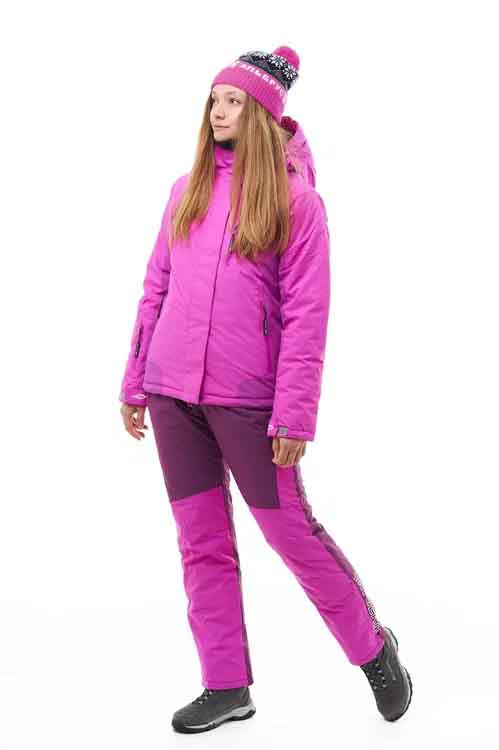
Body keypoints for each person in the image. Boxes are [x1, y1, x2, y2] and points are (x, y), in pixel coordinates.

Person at [119, 46, 413, 734]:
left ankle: (373, 650)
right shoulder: (185, 190)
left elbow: (307, 316)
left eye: (232, 102)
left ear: (261, 114)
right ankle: (225, 685)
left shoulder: (296, 201)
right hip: (172, 393)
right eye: (213, 100)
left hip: (249, 401)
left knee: (290, 535)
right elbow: (156, 287)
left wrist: (294, 415)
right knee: (201, 542)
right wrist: (135, 379)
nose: (217, 112)